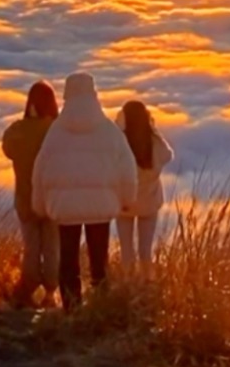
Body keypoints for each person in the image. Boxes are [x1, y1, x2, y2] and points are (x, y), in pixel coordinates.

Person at [30, 71, 138, 310]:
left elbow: (40, 170)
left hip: (65, 208)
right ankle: (100, 308)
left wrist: (39, 205)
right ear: (94, 93)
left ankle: (72, 309)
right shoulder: (109, 130)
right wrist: (127, 199)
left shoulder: (56, 132)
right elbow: (127, 167)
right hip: (101, 206)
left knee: (68, 262)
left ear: (67, 95)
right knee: (99, 262)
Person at [0, 80, 60, 307]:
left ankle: (27, 289)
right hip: (52, 199)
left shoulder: (16, 131)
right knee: (53, 247)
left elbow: (7, 149)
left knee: (31, 247)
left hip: (26, 199)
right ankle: (51, 294)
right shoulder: (58, 131)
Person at [115, 99, 173, 271]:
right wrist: (153, 128)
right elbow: (168, 156)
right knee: (145, 252)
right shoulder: (154, 142)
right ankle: (146, 283)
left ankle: (128, 285)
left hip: (125, 204)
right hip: (149, 203)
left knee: (127, 251)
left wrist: (118, 126)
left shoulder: (120, 143)